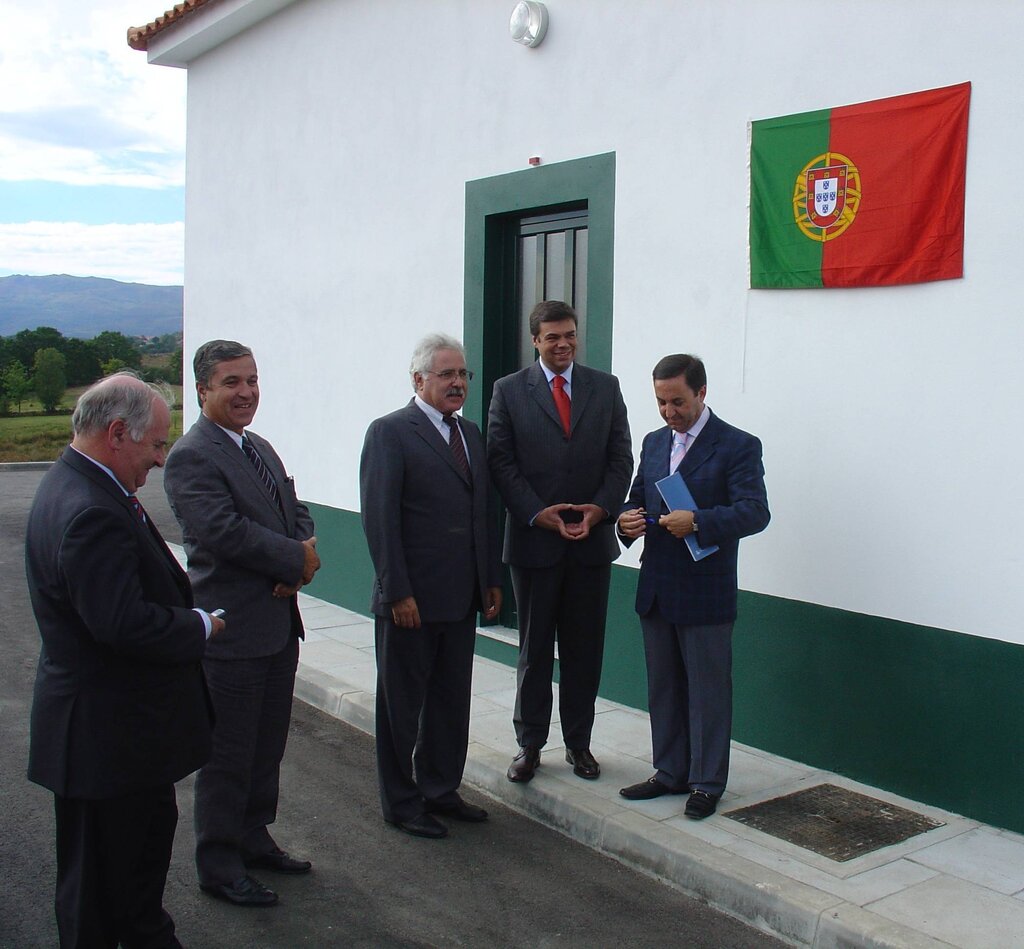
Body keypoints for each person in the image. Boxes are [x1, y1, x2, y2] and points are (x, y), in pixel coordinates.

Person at [25, 372, 221, 947]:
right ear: (117, 433)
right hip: (106, 743)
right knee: (100, 895)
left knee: (124, 880)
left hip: (114, 744)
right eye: (157, 444)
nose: (161, 459)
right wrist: (199, 624)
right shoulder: (91, 508)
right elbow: (121, 624)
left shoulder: (82, 486)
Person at [164, 340, 320, 907]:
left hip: (278, 624)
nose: (247, 392)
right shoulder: (192, 456)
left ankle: (254, 837)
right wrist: (292, 559)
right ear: (203, 389)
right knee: (228, 756)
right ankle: (220, 862)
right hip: (232, 633)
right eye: (232, 382)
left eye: (252, 380)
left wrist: (299, 558)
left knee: (265, 748)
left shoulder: (260, 447)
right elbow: (221, 532)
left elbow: (296, 511)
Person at [360, 333, 502, 839]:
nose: (458, 383)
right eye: (446, 374)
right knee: (401, 707)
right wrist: (396, 591)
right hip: (411, 601)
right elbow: (381, 519)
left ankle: (440, 789)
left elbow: (483, 512)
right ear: (418, 380)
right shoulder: (390, 433)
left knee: (449, 701)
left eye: (462, 374)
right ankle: (401, 802)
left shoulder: (470, 436)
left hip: (460, 598)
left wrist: (489, 581)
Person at [617, 354, 769, 819]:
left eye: (677, 402)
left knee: (706, 690)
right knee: (663, 686)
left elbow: (755, 512)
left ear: (702, 393)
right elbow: (639, 494)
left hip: (706, 588)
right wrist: (626, 520)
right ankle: (668, 772)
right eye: (661, 402)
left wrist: (698, 521)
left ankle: (706, 782)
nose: (669, 412)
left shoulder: (737, 445)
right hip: (659, 584)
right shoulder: (654, 441)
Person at [487, 300, 633, 783]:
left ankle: (579, 744)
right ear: (536, 341)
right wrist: (537, 514)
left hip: (590, 544)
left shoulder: (605, 389)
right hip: (534, 544)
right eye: (552, 337)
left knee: (583, 650)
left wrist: (602, 509)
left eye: (569, 334)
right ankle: (529, 745)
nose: (563, 344)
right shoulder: (508, 392)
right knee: (532, 652)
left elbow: (620, 459)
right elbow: (501, 463)